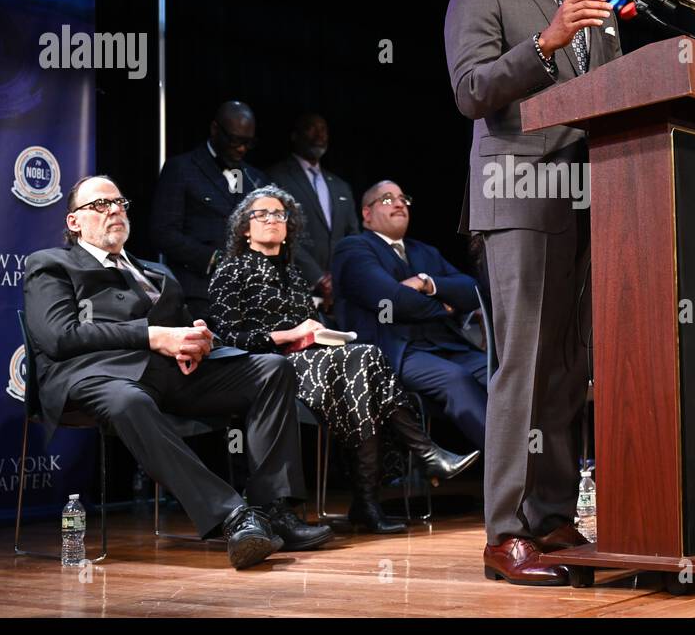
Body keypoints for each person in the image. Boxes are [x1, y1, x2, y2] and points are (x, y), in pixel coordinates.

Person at [444, 0, 621, 586]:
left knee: (569, 368)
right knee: (521, 363)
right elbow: (471, 90)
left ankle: (551, 515)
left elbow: (610, 101)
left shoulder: (594, 4)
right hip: (516, 195)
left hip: (586, 199)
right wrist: (545, 45)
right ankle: (505, 531)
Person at [22, 175, 332, 570]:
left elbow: (181, 330)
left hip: (171, 375)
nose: (114, 210)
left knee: (271, 369)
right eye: (99, 205)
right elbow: (57, 337)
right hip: (95, 376)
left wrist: (200, 342)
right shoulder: (50, 264)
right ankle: (234, 516)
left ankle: (274, 509)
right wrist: (152, 336)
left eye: (119, 202)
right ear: (74, 222)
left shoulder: (154, 271)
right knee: (129, 400)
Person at [208, 186, 478, 535]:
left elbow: (313, 328)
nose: (273, 220)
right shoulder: (232, 271)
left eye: (280, 214)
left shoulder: (293, 276)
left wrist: (320, 334)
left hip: (314, 362)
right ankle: (410, 465)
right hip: (265, 368)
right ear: (245, 228)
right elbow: (228, 338)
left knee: (364, 363)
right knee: (362, 366)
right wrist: (289, 336)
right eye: (263, 214)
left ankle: (376, 496)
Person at [332, 180, 488, 451]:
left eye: (403, 198)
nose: (399, 203)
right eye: (387, 199)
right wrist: (444, 308)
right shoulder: (354, 248)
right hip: (397, 352)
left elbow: (473, 290)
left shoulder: (424, 251)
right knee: (456, 379)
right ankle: (512, 467)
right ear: (366, 214)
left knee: (499, 372)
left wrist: (427, 282)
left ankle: (542, 457)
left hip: (447, 345)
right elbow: (391, 301)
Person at [151, 101, 265, 319]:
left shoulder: (254, 178)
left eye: (248, 143)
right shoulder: (182, 169)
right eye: (234, 140)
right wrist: (213, 259)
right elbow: (162, 233)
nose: (241, 148)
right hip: (199, 293)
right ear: (215, 129)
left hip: (249, 295)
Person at [265, 112, 360, 314]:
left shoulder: (341, 186)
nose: (319, 135)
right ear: (295, 135)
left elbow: (353, 237)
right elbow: (278, 232)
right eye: (312, 128)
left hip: (341, 292)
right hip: (294, 286)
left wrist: (339, 276)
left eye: (324, 129)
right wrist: (318, 277)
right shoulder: (276, 177)